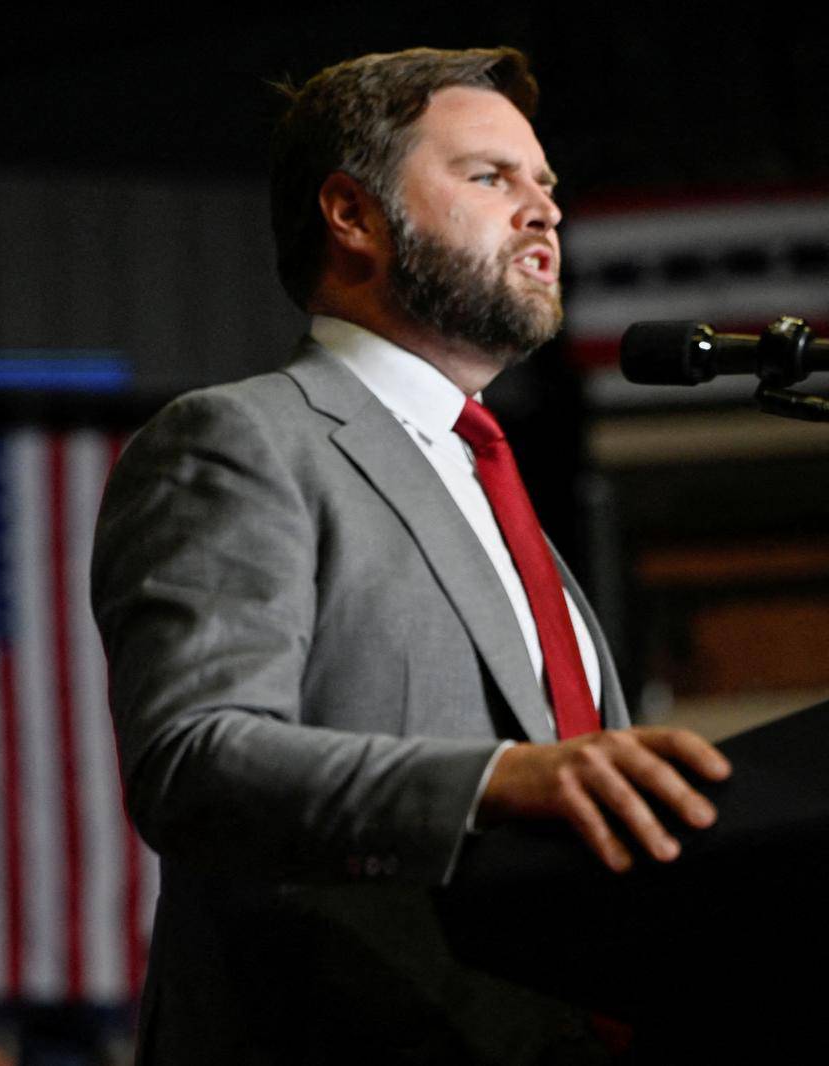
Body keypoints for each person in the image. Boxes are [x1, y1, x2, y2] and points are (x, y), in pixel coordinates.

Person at [90, 47, 732, 1064]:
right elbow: (192, 761)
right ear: (351, 213)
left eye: (547, 186)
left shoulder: (497, 494)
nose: (544, 211)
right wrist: (495, 782)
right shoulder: (243, 439)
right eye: (491, 177)